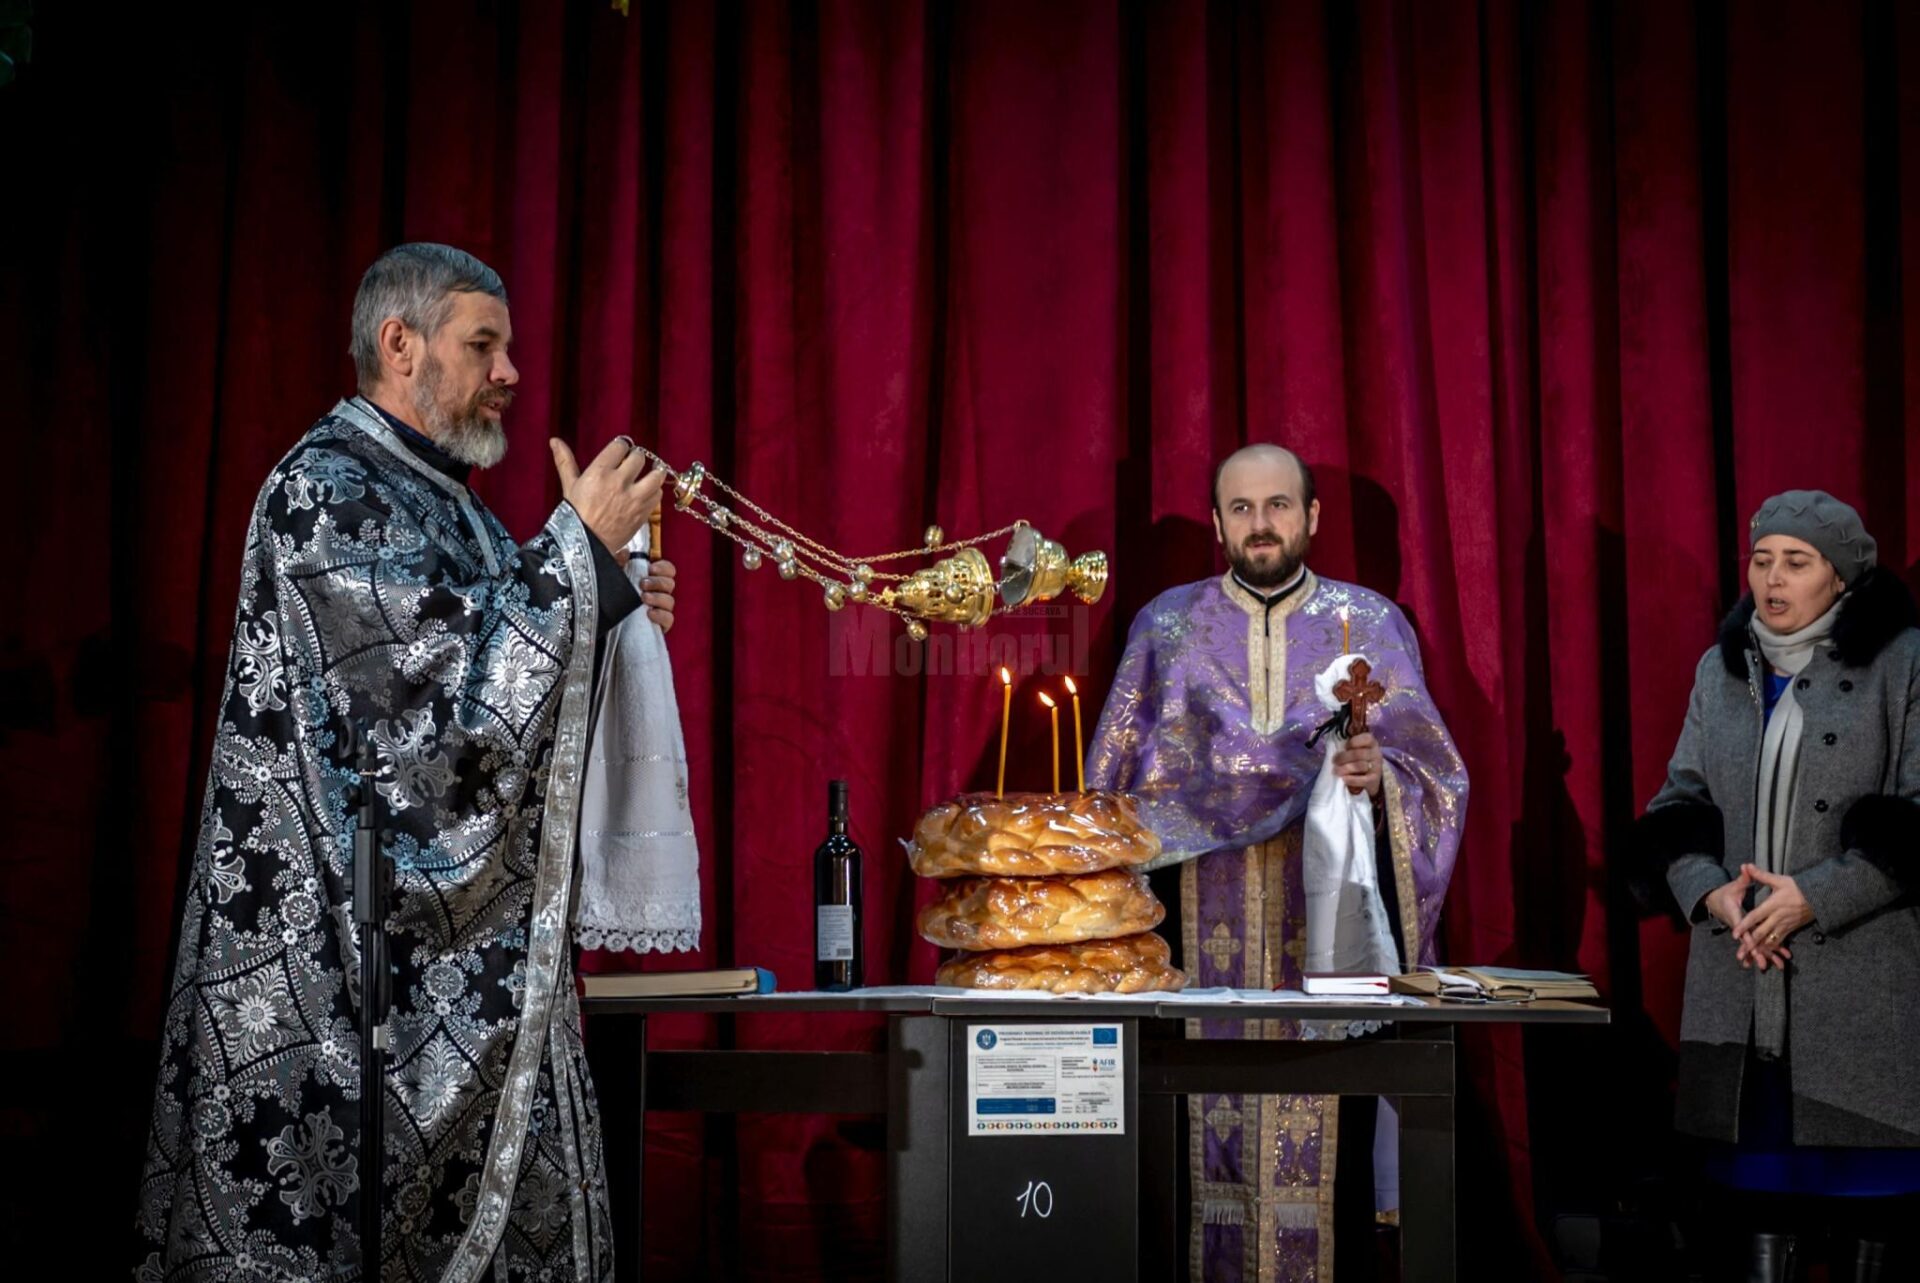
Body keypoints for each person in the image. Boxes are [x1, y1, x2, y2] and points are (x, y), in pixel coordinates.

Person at [134, 243, 679, 1281]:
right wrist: (577, 558)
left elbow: (502, 675)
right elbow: (428, 733)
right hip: (337, 979)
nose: (510, 371)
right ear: (400, 344)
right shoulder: (323, 491)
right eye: (484, 344)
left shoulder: (453, 507)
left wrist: (604, 596)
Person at [1086, 443, 1468, 1282]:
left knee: (1332, 1161)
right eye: (1242, 508)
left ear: (1312, 515)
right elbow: (1109, 794)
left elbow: (1435, 778)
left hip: (1331, 931)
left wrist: (1379, 781)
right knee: (1185, 1169)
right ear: (1218, 521)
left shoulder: (1370, 624)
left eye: (1279, 505)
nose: (1261, 524)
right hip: (1193, 933)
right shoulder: (1166, 627)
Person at [1638, 491, 1920, 1283]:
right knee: (1758, 1197)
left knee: (1870, 1197)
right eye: (1762, 560)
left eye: (1797, 562)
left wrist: (1814, 896)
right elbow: (1676, 806)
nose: (1773, 578)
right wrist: (1710, 892)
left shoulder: (1903, 661)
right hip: (1743, 984)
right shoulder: (1722, 668)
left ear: (1842, 575)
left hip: (1862, 988)